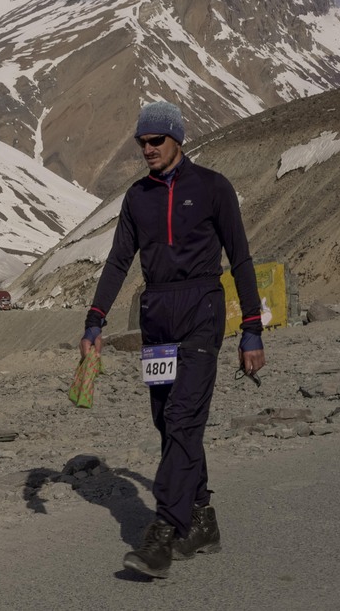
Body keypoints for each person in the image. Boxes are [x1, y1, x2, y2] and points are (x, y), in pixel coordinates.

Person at [79, 101, 266, 578]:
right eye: (142, 141)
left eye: (155, 140)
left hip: (202, 310)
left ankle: (163, 532)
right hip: (157, 317)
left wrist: (251, 330)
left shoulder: (212, 187)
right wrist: (95, 321)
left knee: (185, 418)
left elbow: (241, 259)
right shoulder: (136, 197)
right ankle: (202, 519)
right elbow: (118, 262)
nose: (147, 149)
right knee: (167, 421)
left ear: (177, 139)